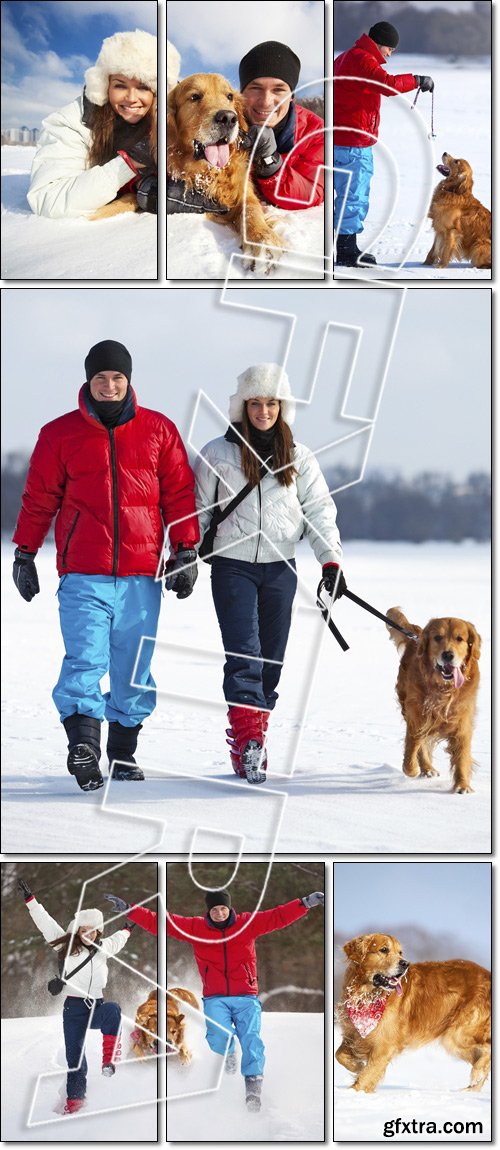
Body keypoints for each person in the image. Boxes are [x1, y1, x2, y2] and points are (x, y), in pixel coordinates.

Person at [12, 340, 199, 791]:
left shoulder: (159, 430)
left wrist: (186, 550)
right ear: (88, 381)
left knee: (133, 669)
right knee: (85, 661)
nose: (110, 386)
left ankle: (123, 752)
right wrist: (24, 551)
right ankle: (84, 748)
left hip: (140, 574)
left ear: (129, 380)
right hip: (83, 572)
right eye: (101, 378)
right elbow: (40, 498)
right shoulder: (59, 434)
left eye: (117, 378)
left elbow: (179, 495)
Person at [194, 363, 345, 784]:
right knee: (244, 654)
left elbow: (319, 512)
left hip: (281, 566)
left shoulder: (298, 457)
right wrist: (184, 559)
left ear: (283, 407)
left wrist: (330, 562)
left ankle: (254, 738)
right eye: (256, 403)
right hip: (231, 567)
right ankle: (247, 742)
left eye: (271, 403)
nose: (263, 411)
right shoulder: (217, 453)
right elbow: (197, 513)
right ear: (243, 406)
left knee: (271, 660)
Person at [165, 887, 324, 1110]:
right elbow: (163, 921)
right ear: (207, 911)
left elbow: (276, 916)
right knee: (219, 1037)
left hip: (246, 996)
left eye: (223, 908)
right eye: (214, 910)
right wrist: (131, 911)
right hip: (215, 997)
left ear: (229, 908)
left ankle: (253, 1090)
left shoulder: (246, 923)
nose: (219, 913)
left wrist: (305, 903)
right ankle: (229, 1052)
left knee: (251, 1040)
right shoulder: (195, 928)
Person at [18, 876, 135, 1116]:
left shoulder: (104, 949)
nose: (89, 934)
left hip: (97, 1006)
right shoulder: (65, 946)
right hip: (74, 1010)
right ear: (77, 930)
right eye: (84, 930)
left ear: (98, 932)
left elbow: (121, 937)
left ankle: (108, 1061)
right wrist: (31, 900)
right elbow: (45, 922)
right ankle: (74, 1102)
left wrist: (129, 924)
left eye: (93, 931)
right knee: (75, 1059)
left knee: (113, 1010)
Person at [334, 20, 434, 266]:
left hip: (341, 138)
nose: (391, 54)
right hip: (354, 141)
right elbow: (387, 84)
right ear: (381, 44)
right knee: (353, 194)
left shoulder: (345, 57)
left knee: (343, 194)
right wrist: (417, 80)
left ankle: (344, 245)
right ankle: (346, 250)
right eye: (391, 48)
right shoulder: (363, 59)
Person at [27, 29, 157, 219]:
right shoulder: (72, 122)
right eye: (120, 85)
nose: (131, 98)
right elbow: (48, 199)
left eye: (143, 87)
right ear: (104, 86)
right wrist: (132, 161)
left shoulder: (170, 119)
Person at [239, 40, 324, 210]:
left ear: (291, 95)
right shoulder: (224, 121)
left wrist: (269, 162)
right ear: (241, 93)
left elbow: (312, 192)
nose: (265, 102)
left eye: (278, 90)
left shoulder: (315, 132)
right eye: (255, 88)